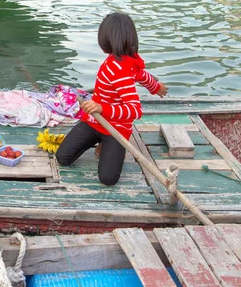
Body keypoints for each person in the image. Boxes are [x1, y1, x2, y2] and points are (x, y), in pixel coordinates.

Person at [56, 13, 168, 186]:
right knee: (62, 157)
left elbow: (135, 110)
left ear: (107, 39)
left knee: (108, 179)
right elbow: (140, 75)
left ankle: (110, 146)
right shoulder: (123, 61)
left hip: (115, 129)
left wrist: (102, 108)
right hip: (94, 122)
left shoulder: (120, 72)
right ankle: (99, 142)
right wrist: (156, 87)